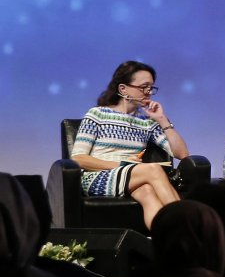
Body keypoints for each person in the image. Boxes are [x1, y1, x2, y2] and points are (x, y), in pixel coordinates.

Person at [70, 59, 189, 229]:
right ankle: (188, 227)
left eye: (151, 87)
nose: (148, 92)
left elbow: (182, 154)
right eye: (143, 87)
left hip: (131, 177)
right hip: (97, 177)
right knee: (153, 169)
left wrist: (162, 120)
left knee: (147, 192)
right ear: (123, 89)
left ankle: (166, 241)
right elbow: (78, 159)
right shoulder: (97, 114)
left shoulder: (146, 121)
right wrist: (123, 165)